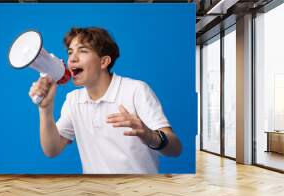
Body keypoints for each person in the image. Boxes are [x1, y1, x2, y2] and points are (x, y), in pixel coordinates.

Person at [29, 27, 181, 174]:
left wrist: (150, 136)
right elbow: (52, 149)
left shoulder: (136, 90)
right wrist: (45, 110)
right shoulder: (73, 100)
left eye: (82, 51)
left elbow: (175, 149)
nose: (72, 59)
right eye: (70, 52)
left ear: (104, 62)